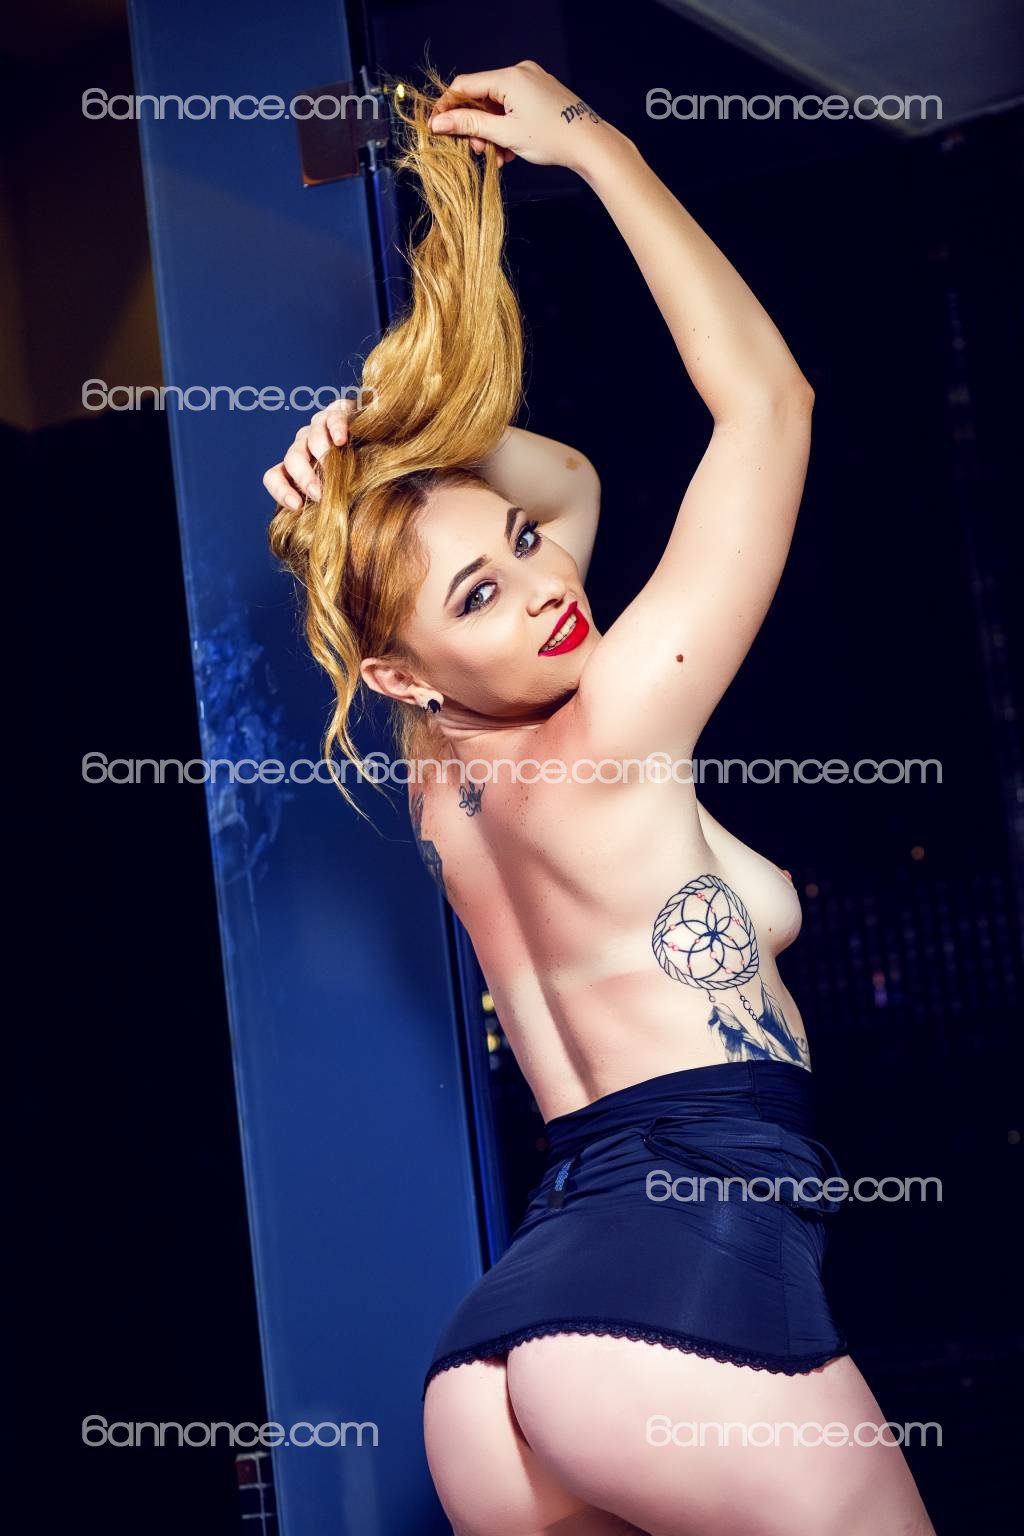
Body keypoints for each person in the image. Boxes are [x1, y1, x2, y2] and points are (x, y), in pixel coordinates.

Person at [263, 59, 934, 1536]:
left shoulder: (440, 778)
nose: (545, 587)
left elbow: (560, 490)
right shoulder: (617, 721)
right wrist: (597, 148)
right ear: (403, 670)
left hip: (502, 1359)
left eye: (521, 547)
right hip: (684, 1291)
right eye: (481, 593)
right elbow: (768, 404)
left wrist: (382, 444)